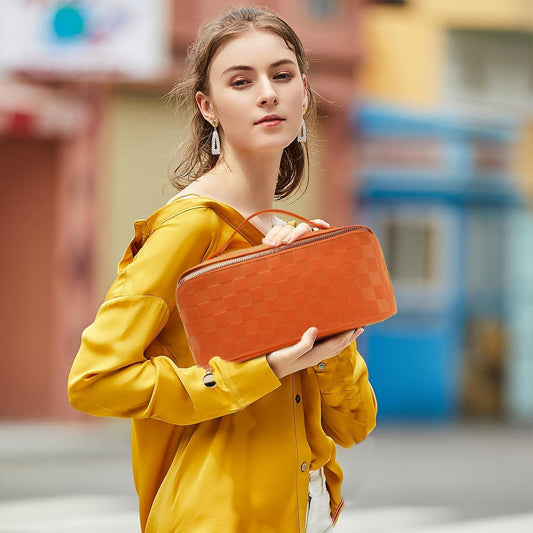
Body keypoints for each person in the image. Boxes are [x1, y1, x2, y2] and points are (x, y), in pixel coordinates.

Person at [68, 6, 377, 533]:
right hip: (211, 517)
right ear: (208, 107)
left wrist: (329, 331)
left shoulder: (281, 235)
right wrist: (266, 369)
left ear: (304, 90)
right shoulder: (189, 228)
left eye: (282, 75)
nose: (267, 93)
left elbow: (351, 426)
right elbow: (95, 380)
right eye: (242, 81)